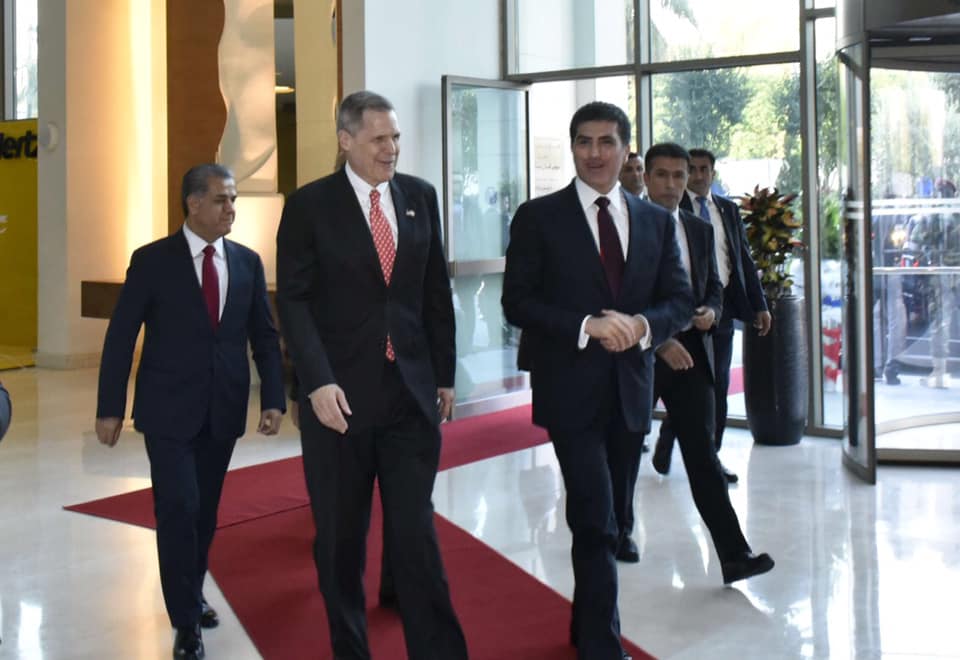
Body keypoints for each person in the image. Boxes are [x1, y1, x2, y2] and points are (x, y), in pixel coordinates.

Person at [276, 90, 467, 660]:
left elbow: (434, 292)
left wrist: (444, 374)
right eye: (379, 138)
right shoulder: (310, 206)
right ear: (346, 140)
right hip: (339, 401)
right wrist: (316, 380)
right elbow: (294, 301)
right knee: (341, 541)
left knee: (416, 535)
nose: (392, 148)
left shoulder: (419, 197)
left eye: (396, 137)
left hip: (410, 395)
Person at [502, 101, 693, 660]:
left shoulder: (655, 221)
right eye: (584, 141)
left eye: (606, 141)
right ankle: (600, 645)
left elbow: (679, 300)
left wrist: (641, 326)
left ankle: (585, 622)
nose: (594, 153)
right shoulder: (539, 217)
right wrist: (587, 325)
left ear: (626, 149)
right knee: (593, 515)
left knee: (615, 517)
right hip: (569, 391)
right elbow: (518, 302)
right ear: (572, 148)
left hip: (631, 391)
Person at [96, 163, 286, 660]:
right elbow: (121, 335)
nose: (231, 209)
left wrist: (273, 397)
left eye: (234, 199)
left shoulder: (246, 263)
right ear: (193, 203)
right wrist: (110, 407)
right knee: (178, 508)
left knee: (204, 513)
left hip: (223, 408)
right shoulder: (152, 261)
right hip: (167, 411)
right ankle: (185, 624)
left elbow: (264, 336)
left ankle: (192, 591)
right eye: (222, 199)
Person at [641, 142, 775, 585]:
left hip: (692, 354)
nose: (672, 184)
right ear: (647, 178)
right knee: (620, 451)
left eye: (679, 176)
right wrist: (660, 341)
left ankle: (735, 555)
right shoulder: (629, 226)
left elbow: (715, 285)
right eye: (662, 175)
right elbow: (620, 295)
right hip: (642, 355)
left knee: (703, 454)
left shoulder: (698, 229)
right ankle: (614, 535)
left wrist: (713, 313)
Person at [653, 148, 771, 483]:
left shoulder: (726, 210)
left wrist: (758, 304)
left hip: (718, 312)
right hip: (667, 323)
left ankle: (711, 458)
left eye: (704, 169)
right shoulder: (669, 209)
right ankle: (668, 439)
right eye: (692, 169)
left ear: (712, 173)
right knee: (675, 389)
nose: (698, 175)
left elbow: (742, 259)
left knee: (714, 387)